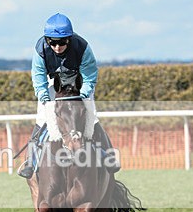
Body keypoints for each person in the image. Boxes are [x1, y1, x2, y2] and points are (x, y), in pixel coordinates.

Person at [17, 13, 118, 179]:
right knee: (42, 119)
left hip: (79, 84)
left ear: (69, 39)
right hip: (53, 84)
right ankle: (31, 161)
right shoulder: (40, 48)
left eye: (62, 42)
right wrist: (43, 96)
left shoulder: (82, 47)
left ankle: (107, 155)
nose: (57, 47)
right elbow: (38, 76)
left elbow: (90, 75)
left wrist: (82, 96)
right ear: (47, 40)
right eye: (53, 42)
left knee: (91, 118)